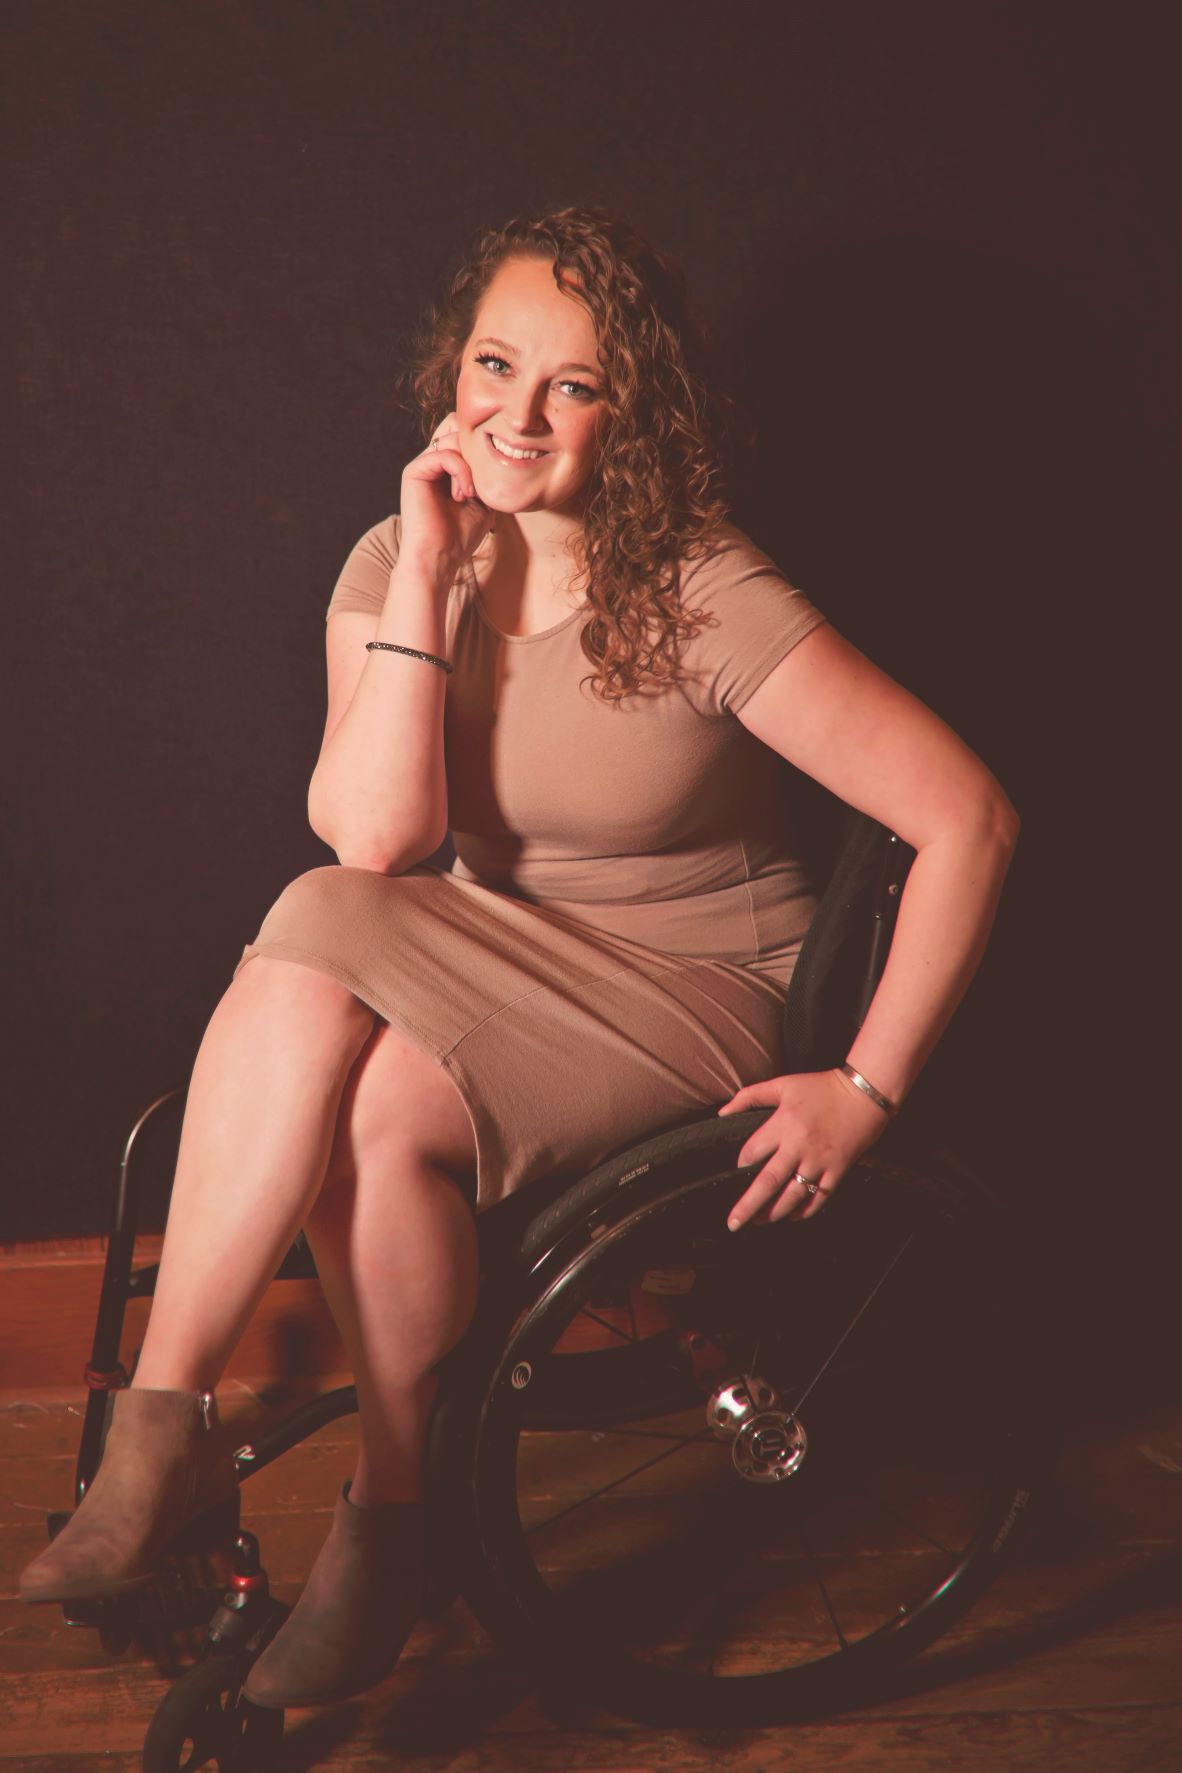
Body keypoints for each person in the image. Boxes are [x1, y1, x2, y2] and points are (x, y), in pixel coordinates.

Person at [19, 206, 1019, 1707]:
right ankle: (287, 1473)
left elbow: (970, 818)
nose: (519, 414)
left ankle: (259, 1469)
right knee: (340, 997)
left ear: (635, 413)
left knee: (322, 951)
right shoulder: (394, 557)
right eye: (496, 365)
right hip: (490, 945)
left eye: (574, 385)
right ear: (453, 368)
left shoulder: (702, 588)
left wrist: (865, 1089)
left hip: (692, 978)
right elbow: (378, 839)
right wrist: (429, 575)